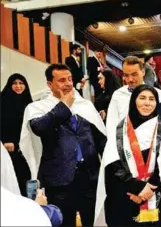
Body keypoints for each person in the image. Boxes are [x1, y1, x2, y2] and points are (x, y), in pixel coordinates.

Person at [19, 63, 107, 227]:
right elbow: (39, 127)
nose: (68, 84)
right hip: (59, 181)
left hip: (89, 178)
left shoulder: (85, 106)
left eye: (70, 79)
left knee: (92, 221)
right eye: (61, 80)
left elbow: (101, 140)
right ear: (49, 84)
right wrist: (64, 105)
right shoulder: (37, 107)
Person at [94, 85, 161, 226]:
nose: (147, 103)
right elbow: (112, 165)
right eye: (142, 98)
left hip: (158, 196)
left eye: (152, 99)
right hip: (127, 195)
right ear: (134, 101)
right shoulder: (120, 130)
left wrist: (149, 188)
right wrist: (136, 187)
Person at [106, 56, 161, 140]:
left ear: (143, 72)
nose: (130, 79)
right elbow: (111, 124)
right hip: (124, 145)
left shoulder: (158, 95)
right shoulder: (118, 95)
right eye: (126, 75)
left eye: (134, 74)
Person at [1, 73, 32, 196]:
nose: (18, 86)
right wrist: (6, 139)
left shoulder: (29, 102)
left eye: (21, 83)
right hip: (9, 148)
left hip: (26, 148)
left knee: (26, 178)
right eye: (14, 83)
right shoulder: (3, 100)